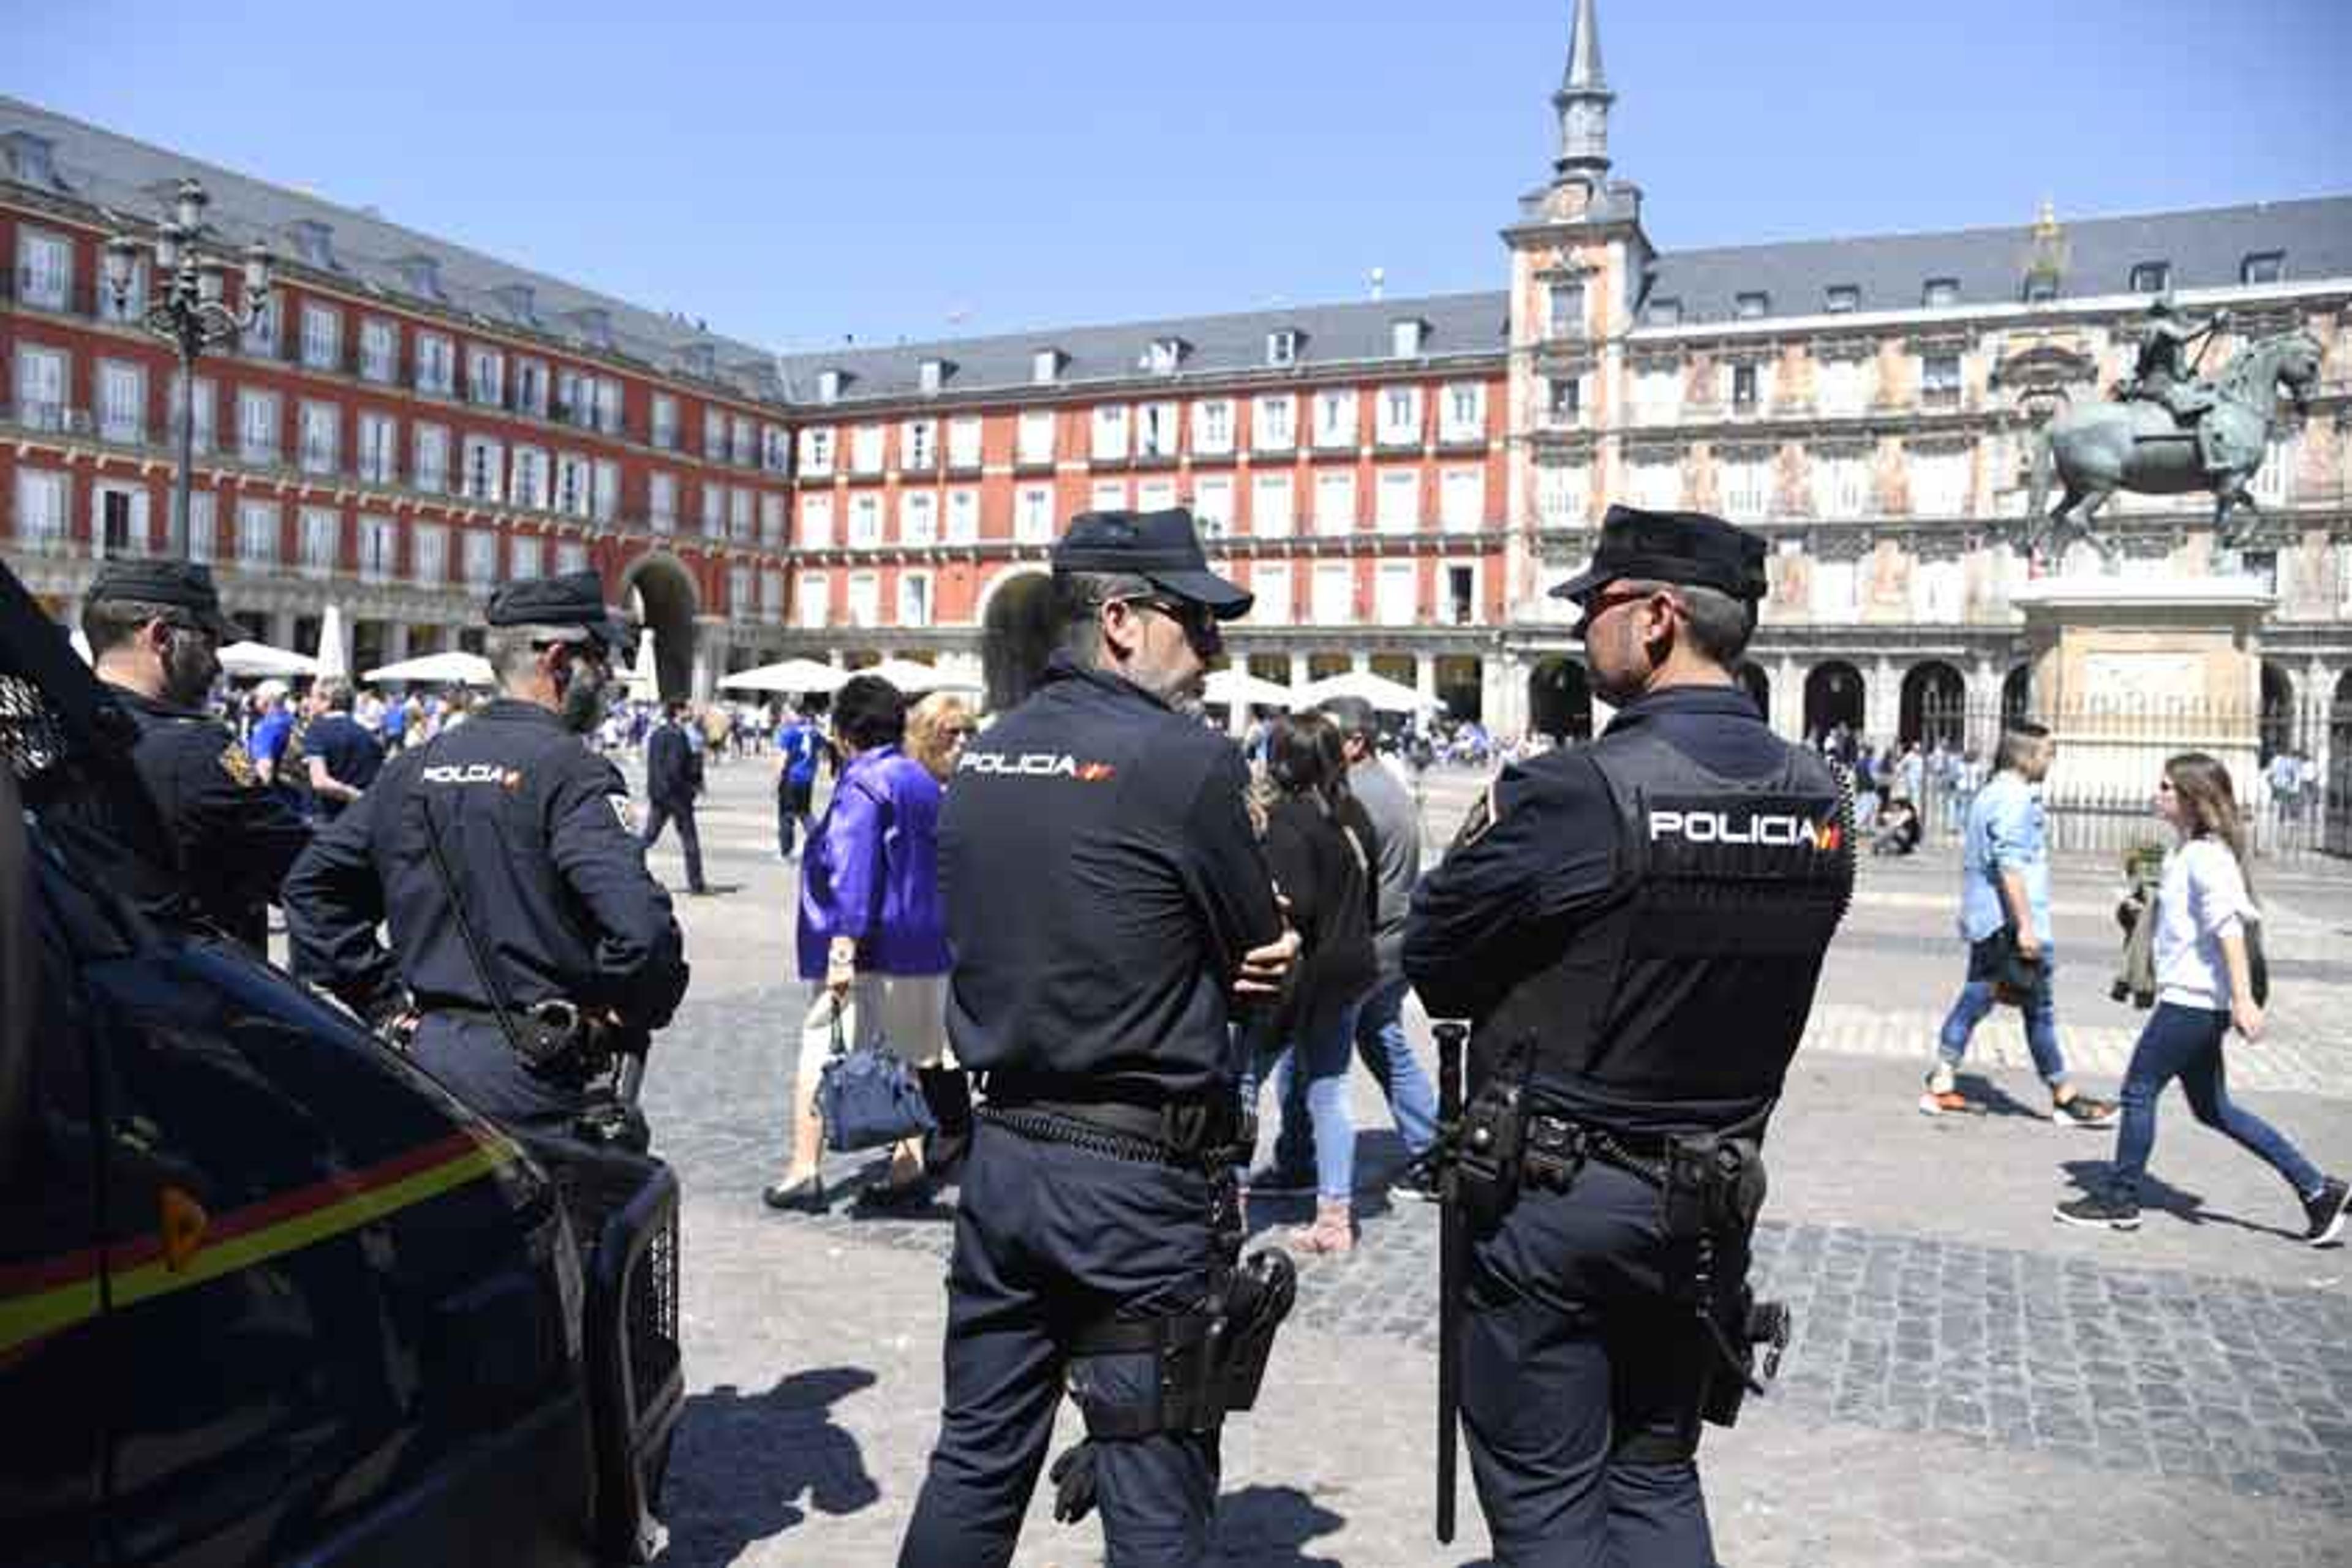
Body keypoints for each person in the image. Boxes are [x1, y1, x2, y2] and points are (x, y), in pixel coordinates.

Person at [1404, 505, 1853, 1567]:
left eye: (1596, 607)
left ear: (1656, 619)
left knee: (1550, 1507)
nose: (1579, 632)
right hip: (1710, 1194)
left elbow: (1434, 946)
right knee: (1656, 1479)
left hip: (1559, 1199)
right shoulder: (1820, 796)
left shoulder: (1579, 790)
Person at [898, 508, 1297, 1568]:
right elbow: (1260, 947)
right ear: (1119, 619)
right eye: (1196, 624)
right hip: (1136, 1179)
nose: (1212, 651)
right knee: (1153, 1486)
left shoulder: (983, 754)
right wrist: (1266, 954)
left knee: (975, 1461)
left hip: (1007, 1157)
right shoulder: (1186, 761)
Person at [282, 571, 688, 1139]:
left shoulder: (413, 767)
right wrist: (625, 1010)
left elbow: (310, 887)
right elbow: (642, 931)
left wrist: (381, 999)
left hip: (421, 1058)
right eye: (600, 661)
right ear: (559, 660)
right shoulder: (572, 771)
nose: (608, 680)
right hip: (537, 1071)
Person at [2057, 754, 2350, 1243]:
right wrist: (2140, 914)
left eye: (2168, 787)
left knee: (2137, 1091)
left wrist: (2243, 1000)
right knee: (2214, 1109)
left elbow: (2229, 929)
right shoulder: (2185, 852)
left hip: (2193, 1002)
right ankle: (2318, 1191)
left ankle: (2120, 1198)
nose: (2158, 793)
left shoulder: (2207, 857)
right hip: (2194, 999)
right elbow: (2187, 926)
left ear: (2193, 800)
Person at [763, 676, 953, 1213]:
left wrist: (843, 946)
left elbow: (854, 866)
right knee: (905, 1060)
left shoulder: (863, 783)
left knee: (821, 1049)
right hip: (922, 943)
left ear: (846, 733)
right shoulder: (920, 779)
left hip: (869, 944)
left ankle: (805, 1169)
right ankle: (907, 1168)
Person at [55, 559, 312, 950]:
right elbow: (300, 867)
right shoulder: (206, 747)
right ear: (160, 637)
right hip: (203, 988)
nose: (218, 662)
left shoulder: (56, 730)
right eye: (210, 641)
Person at [1921, 722, 2118, 1126]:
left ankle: (1947, 1081)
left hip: (1988, 920)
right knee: (2026, 1008)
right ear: (2026, 756)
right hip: (2010, 924)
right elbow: (2010, 865)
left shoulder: (1990, 794)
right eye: (2048, 753)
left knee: (1989, 1001)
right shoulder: (2015, 799)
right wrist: (2027, 926)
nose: (2052, 760)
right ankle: (2060, 1097)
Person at [1240, 711, 1376, 1254]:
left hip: (1302, 976)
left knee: (1243, 1079)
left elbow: (1293, 905)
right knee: (1330, 1088)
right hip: (1351, 968)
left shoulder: (1290, 822)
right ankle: (1336, 1215)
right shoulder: (1352, 812)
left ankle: (1228, 1199)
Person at [905, 690, 981, 1179]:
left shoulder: (971, 789)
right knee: (924, 1039)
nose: (962, 743)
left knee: (941, 1039)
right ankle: (939, 1132)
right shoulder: (915, 788)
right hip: (917, 929)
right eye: (950, 734)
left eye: (967, 733)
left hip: (959, 931)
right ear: (927, 739)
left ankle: (952, 1132)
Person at [641, 699, 710, 895]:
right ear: (678, 712)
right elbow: (674, 769)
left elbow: (653, 765)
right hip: (677, 796)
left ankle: (625, 866)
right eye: (687, 709)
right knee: (690, 841)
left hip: (658, 793)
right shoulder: (678, 735)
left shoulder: (657, 734)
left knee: (649, 836)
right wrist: (689, 788)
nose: (690, 712)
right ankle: (696, 884)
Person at [300, 677, 385, 823]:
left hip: (326, 818)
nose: (308, 702)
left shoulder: (316, 730)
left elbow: (320, 782)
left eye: (312, 696)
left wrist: (356, 796)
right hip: (360, 819)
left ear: (327, 701)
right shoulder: (368, 735)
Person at [776, 704, 825, 858]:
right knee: (805, 812)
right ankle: (820, 842)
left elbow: (782, 757)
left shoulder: (789, 732)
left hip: (791, 777)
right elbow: (820, 751)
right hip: (807, 778)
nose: (786, 716)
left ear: (798, 715)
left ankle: (786, 850)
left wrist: (777, 777)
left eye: (789, 713)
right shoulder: (814, 733)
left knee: (786, 815)